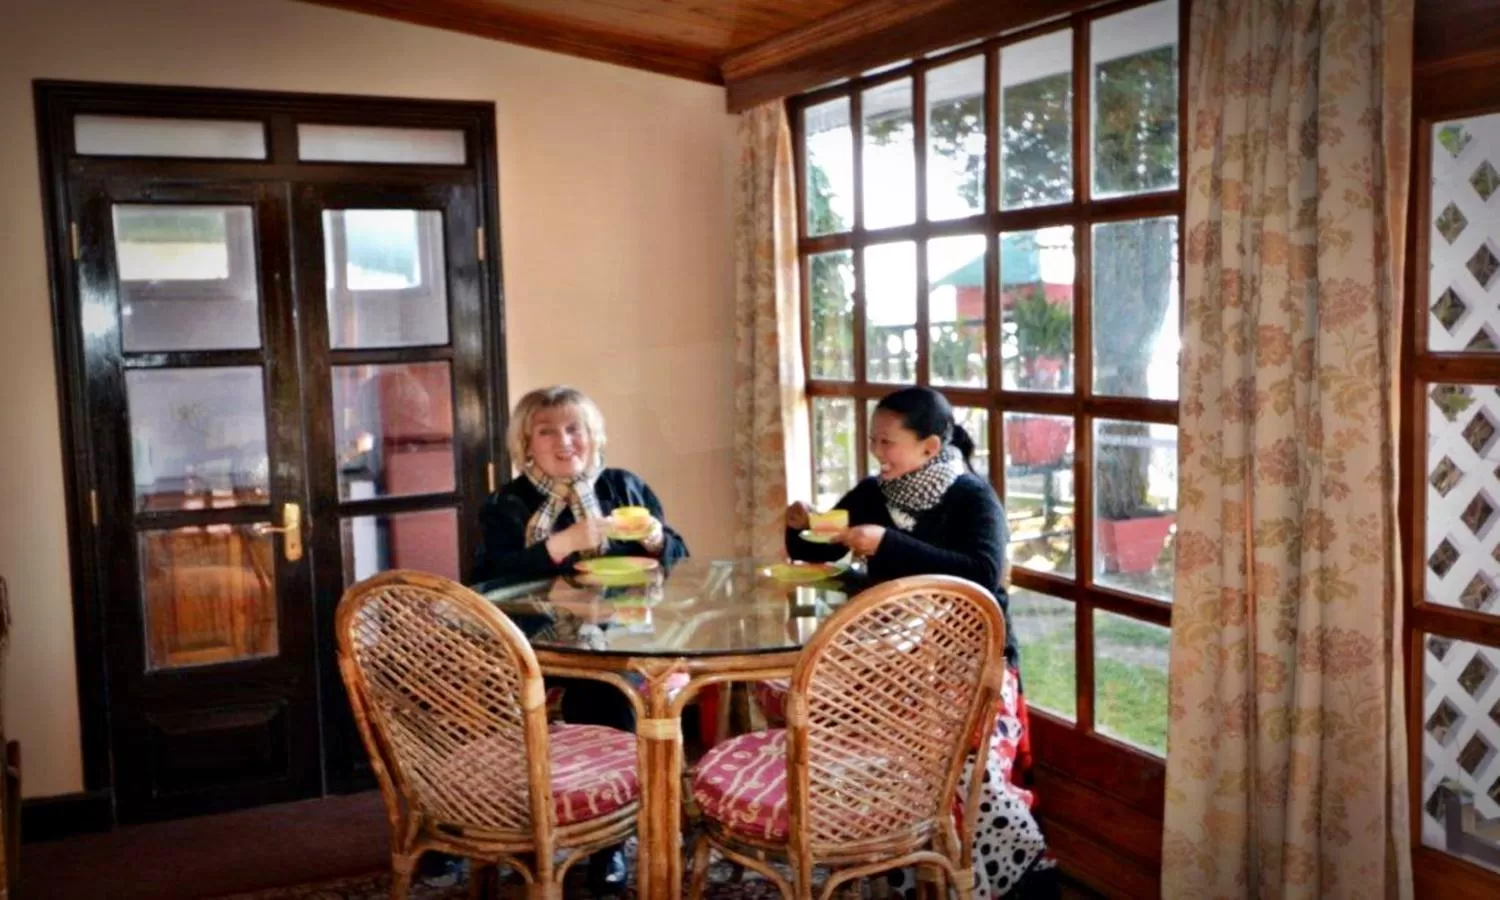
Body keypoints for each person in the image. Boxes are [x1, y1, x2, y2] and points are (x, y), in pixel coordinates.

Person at [784, 386, 1054, 898]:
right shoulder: (874, 491)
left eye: (887, 442)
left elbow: (982, 572)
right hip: (892, 665)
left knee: (967, 776)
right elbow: (819, 544)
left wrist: (888, 544)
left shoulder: (973, 498)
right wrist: (797, 526)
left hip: (974, 666)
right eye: (873, 441)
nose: (877, 453)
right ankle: (896, 870)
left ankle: (1005, 882)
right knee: (854, 750)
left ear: (930, 447)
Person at [469, 385, 688, 894]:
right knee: (602, 689)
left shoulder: (624, 487)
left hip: (622, 635)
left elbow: (679, 558)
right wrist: (561, 544)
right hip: (534, 646)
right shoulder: (506, 504)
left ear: (595, 437)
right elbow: (486, 582)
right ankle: (507, 822)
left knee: (613, 688)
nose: (565, 440)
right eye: (548, 431)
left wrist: (657, 538)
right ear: (527, 444)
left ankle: (608, 846)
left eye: (576, 429)